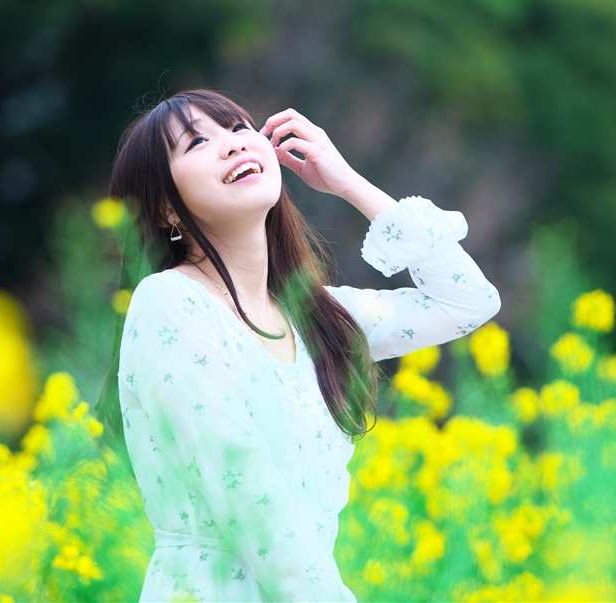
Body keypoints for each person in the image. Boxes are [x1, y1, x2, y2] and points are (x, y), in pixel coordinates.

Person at [95, 89, 501, 603]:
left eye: (239, 128)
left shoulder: (319, 318)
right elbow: (248, 498)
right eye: (196, 142)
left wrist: (350, 183)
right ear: (164, 209)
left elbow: (470, 302)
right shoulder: (170, 303)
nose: (233, 144)